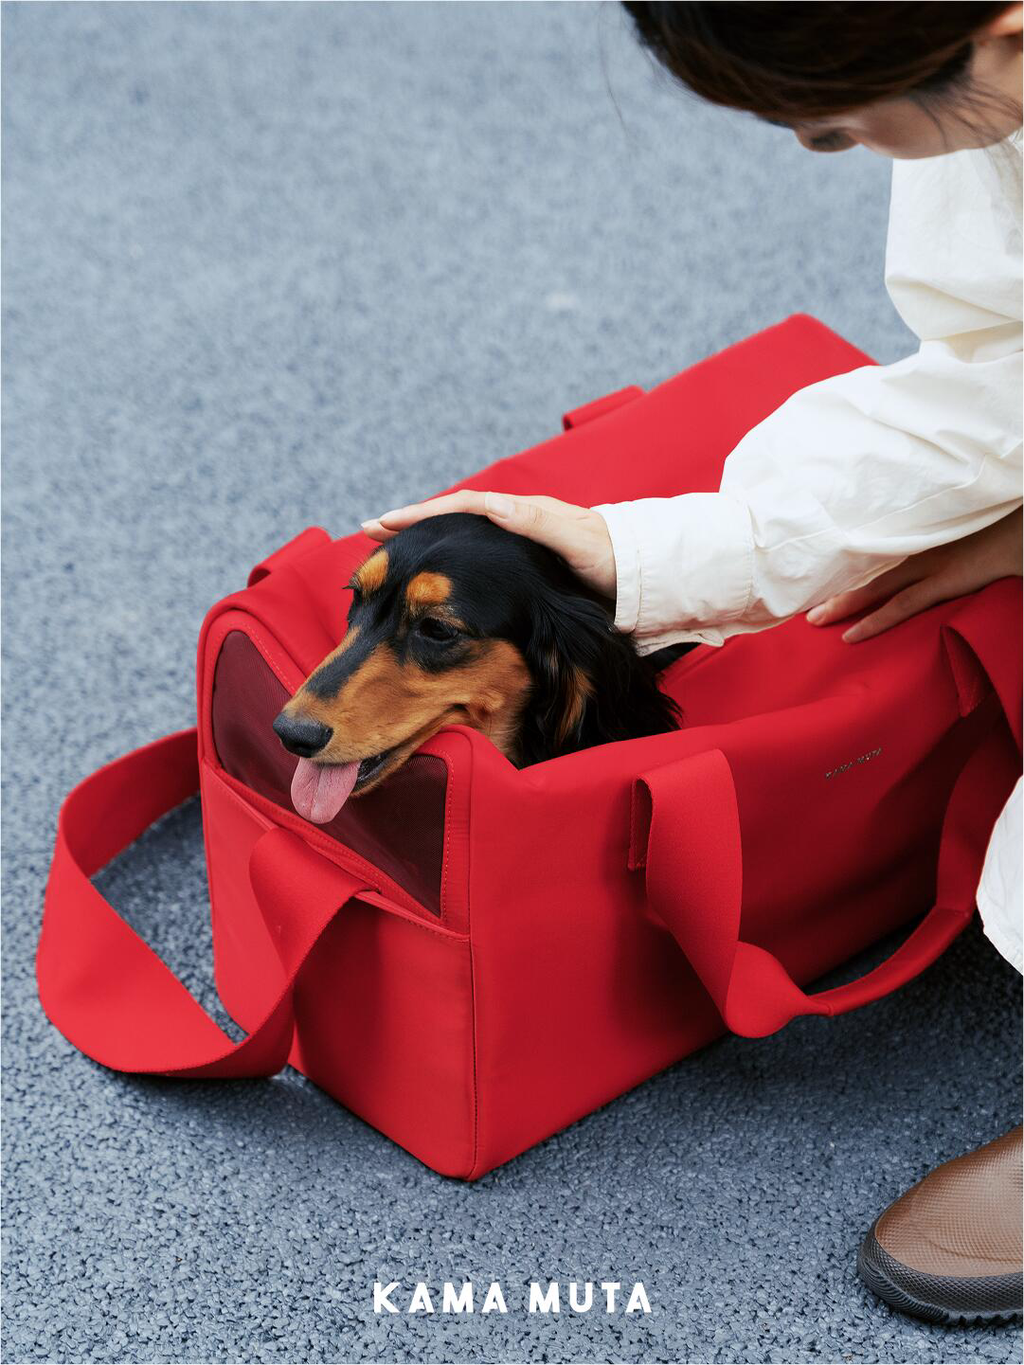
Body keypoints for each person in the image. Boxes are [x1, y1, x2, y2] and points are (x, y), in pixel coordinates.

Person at [360, 2, 1023, 1326]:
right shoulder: (990, 94)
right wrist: (652, 554)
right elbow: (995, 374)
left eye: (832, 129)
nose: (825, 152)